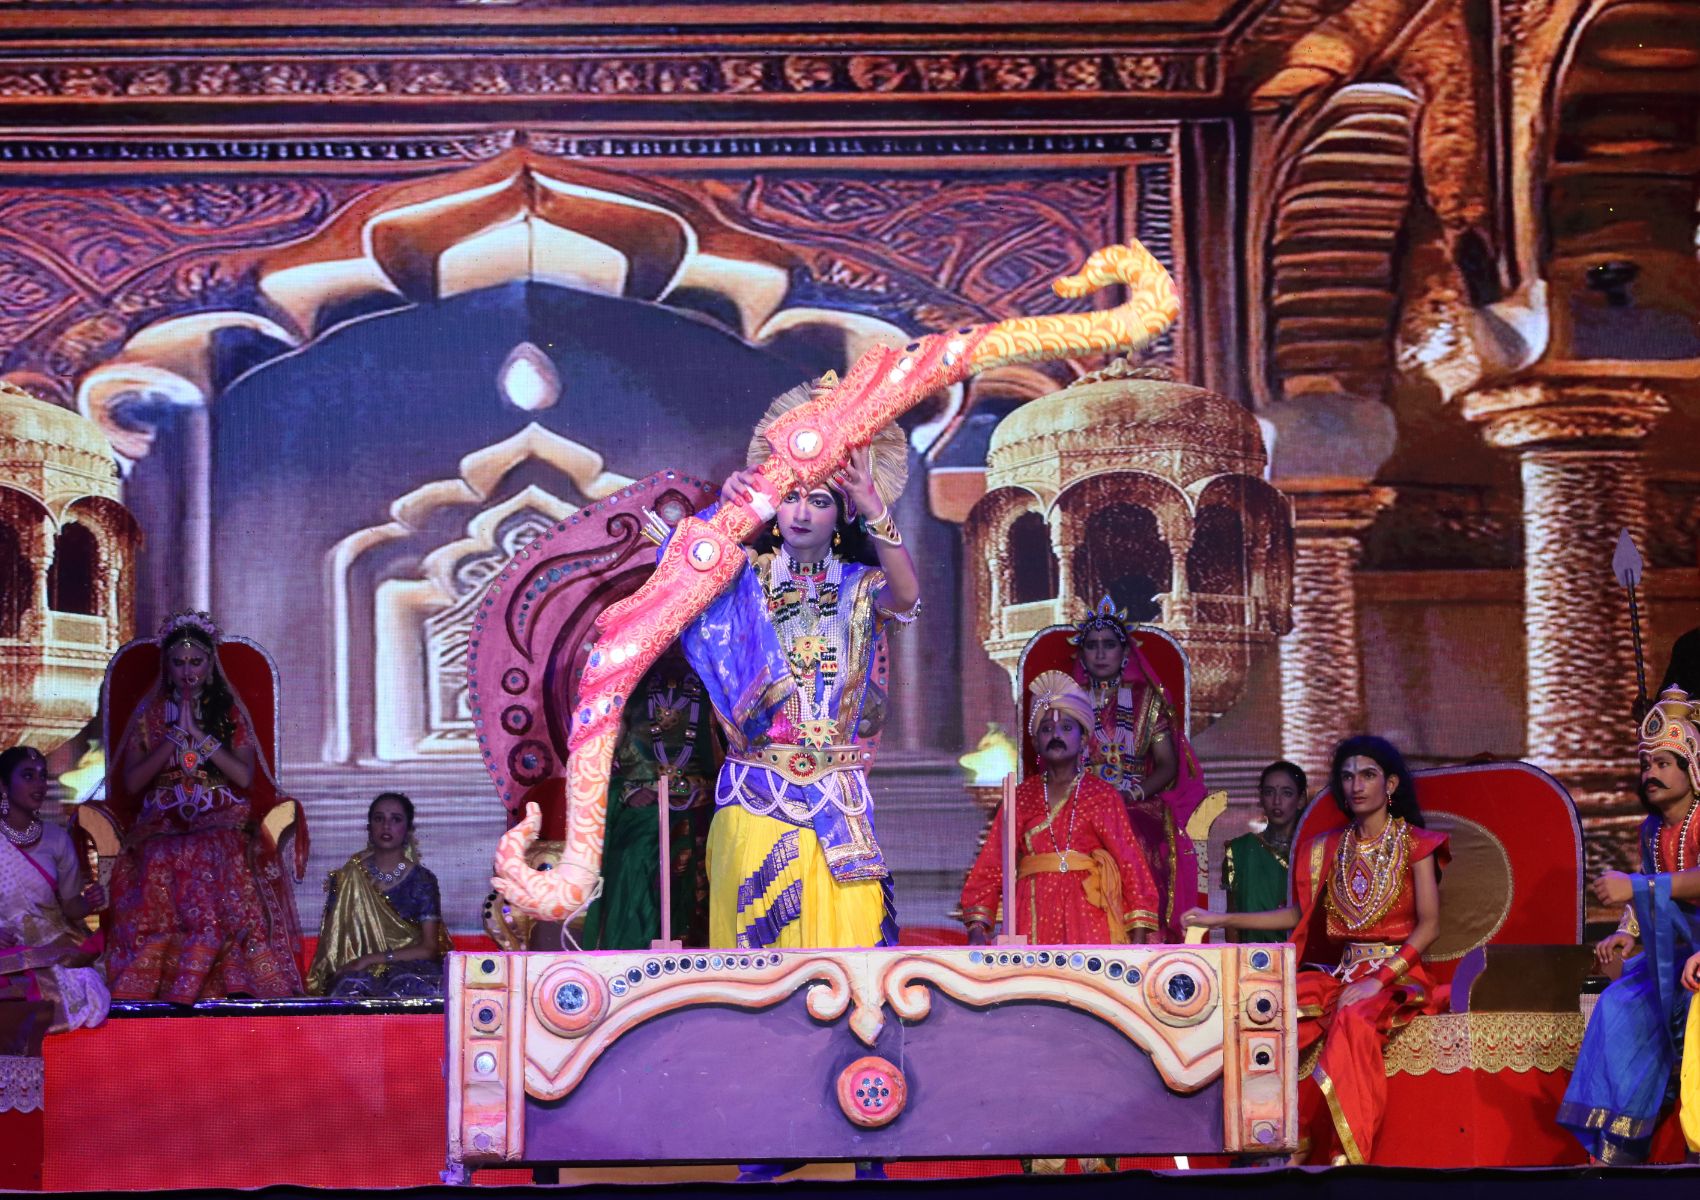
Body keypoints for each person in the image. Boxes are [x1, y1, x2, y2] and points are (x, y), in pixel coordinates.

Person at [678, 373, 921, 954]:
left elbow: (907, 595)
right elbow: (685, 572)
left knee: (851, 954)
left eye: (820, 500)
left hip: (836, 795)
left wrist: (876, 509)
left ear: (841, 515)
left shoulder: (860, 587)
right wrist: (728, 510)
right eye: (791, 496)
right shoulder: (743, 582)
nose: (802, 512)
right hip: (757, 792)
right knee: (758, 963)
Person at [1183, 735, 1447, 1164]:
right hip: (1342, 975)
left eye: (1368, 775)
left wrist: (1378, 981)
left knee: (1354, 1018)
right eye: (1347, 776)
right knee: (1267, 1004)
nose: (1356, 785)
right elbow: (1297, 915)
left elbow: (1430, 925)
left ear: (1391, 784)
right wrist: (1220, 919)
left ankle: (1343, 1158)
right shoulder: (1327, 848)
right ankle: (1258, 1139)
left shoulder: (1417, 844)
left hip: (1397, 976)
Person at [105, 612, 304, 1001]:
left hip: (220, 817)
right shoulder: (150, 715)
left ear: (210, 664)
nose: (187, 671)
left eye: (195, 661)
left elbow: (243, 777)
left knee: (215, 853)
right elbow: (132, 783)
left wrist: (199, 734)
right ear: (167, 667)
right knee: (161, 857)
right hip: (163, 822)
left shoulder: (227, 714)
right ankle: (162, 981)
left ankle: (232, 980)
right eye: (178, 662)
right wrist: (172, 738)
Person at [1560, 686, 1700, 1163]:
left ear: (1692, 769)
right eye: (1646, 765)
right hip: (1671, 952)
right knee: (1616, 1006)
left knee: (1682, 1008)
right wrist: (1627, 931)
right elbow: (1646, 890)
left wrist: (1638, 886)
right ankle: (1618, 1148)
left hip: (1696, 952)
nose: (1650, 774)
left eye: (1663, 763)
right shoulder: (1651, 829)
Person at [960, 671, 1160, 945]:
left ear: (1083, 739)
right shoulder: (1020, 797)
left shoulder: (1102, 796)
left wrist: (1137, 936)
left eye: (1066, 728)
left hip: (1089, 917)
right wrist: (977, 927)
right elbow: (992, 864)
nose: (1056, 735)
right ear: (1035, 742)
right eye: (1046, 729)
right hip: (1031, 913)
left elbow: (1130, 863)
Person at [1071, 597, 1209, 941]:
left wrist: (1131, 794)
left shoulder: (1146, 700)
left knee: (1133, 835)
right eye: (1092, 645)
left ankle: (1142, 938)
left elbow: (1167, 765)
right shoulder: (1068, 701)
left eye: (1109, 645)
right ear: (1082, 655)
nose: (1100, 653)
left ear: (1125, 653)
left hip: (1133, 802)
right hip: (1078, 801)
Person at [582, 649, 718, 950]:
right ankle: (631, 952)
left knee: (710, 860)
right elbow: (598, 760)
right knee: (636, 858)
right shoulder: (626, 688)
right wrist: (629, 791)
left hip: (701, 803)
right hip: (641, 807)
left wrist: (705, 791)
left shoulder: (712, 685)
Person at [0, 746, 109, 1032]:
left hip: (50, 945)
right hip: (6, 949)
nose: (39, 784)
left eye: (43, 776)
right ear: (3, 786)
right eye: (28, 775)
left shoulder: (57, 838)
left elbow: (71, 907)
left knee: (78, 984)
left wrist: (89, 902)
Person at [307, 792, 449, 997]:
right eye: (379, 818)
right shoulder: (347, 878)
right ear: (369, 827)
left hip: (410, 970)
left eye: (396, 819)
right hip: (357, 971)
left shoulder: (422, 880)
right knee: (349, 989)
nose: (386, 826)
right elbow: (332, 947)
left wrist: (372, 959)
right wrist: (359, 964)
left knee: (413, 988)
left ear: (408, 829)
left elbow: (429, 949)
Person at [1221, 761, 1306, 945]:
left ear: (1301, 799)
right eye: (1269, 792)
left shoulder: (1314, 852)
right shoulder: (1240, 850)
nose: (1277, 801)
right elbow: (1232, 920)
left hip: (1303, 958)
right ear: (1260, 798)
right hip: (1253, 957)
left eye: (1287, 793)